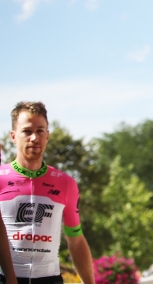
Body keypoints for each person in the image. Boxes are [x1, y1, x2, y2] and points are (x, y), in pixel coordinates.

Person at [0, 102, 94, 284]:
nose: (34, 137)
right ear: (13, 136)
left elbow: (76, 239)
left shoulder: (66, 183)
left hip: (49, 279)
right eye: (27, 131)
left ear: (47, 135)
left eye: (40, 130)